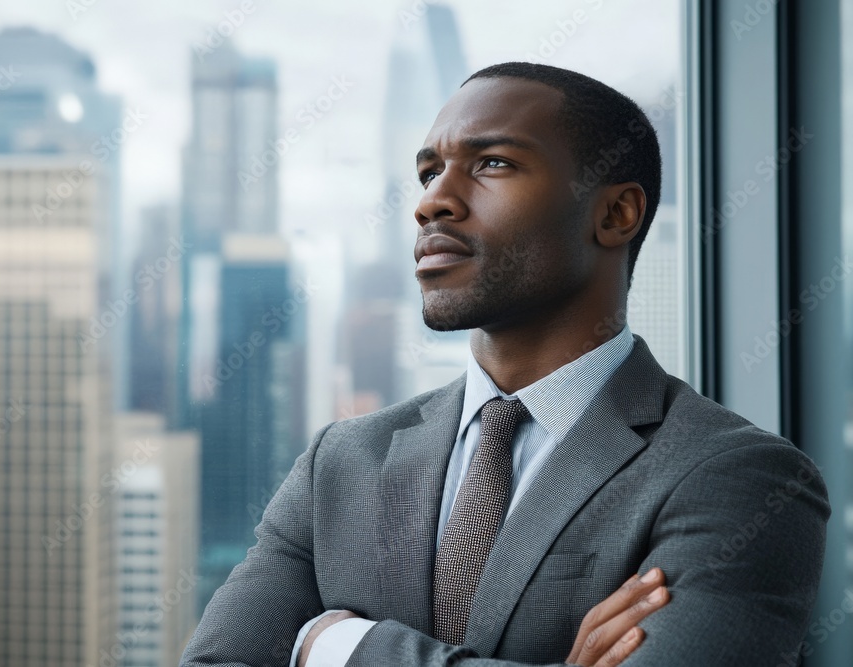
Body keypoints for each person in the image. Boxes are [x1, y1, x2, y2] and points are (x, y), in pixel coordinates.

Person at [179, 62, 830, 667]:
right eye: (429, 171)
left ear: (615, 213)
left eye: (491, 163)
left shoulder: (740, 478)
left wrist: (344, 645)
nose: (432, 201)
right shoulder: (341, 463)